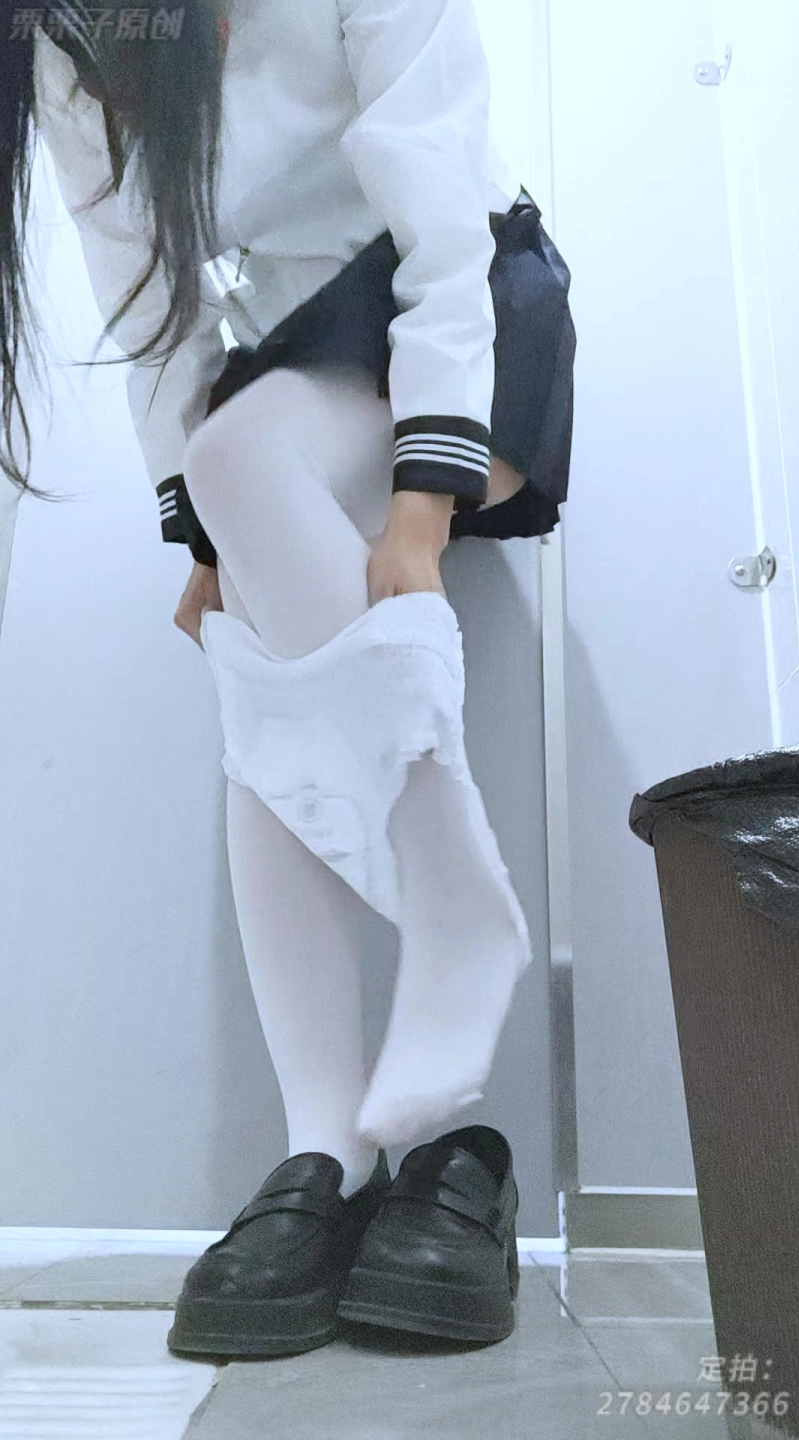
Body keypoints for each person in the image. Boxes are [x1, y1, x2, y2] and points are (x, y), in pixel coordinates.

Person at [3, 0, 575, 1360]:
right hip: (297, 349)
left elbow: (441, 225)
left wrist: (423, 500)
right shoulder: (70, 36)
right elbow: (150, 299)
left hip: (470, 311)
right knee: (250, 643)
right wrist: (211, 543)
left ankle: (453, 904)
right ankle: (327, 1148)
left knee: (239, 462)